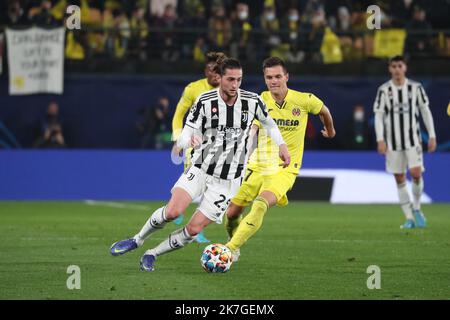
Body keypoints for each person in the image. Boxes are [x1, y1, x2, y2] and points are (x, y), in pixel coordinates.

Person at [110, 58, 291, 272]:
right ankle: (138, 239)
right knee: (173, 212)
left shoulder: (252, 102)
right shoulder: (205, 101)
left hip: (228, 181)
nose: (235, 85)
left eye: (239, 80)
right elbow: (187, 131)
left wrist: (282, 146)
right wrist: (188, 140)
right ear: (220, 78)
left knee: (194, 229)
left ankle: (152, 254)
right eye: (230, 79)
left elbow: (270, 124)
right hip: (201, 168)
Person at [224, 57, 336, 261]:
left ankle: (229, 249)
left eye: (277, 76)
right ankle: (235, 241)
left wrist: (330, 130)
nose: (273, 81)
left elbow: (324, 111)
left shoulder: (304, 100)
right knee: (231, 213)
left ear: (286, 77)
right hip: (257, 165)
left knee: (260, 204)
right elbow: (253, 130)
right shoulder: (262, 100)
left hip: (285, 168)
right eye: (269, 77)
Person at [373, 55, 437, 229]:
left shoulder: (416, 88)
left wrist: (432, 135)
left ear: (405, 68)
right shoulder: (384, 90)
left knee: (416, 174)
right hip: (392, 143)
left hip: (413, 141)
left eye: (399, 66)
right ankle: (409, 218)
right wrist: (380, 139)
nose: (396, 70)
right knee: (400, 178)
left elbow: (425, 111)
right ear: (389, 69)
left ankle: (416, 208)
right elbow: (378, 116)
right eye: (393, 66)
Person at [170, 51, 227, 243]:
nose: (215, 74)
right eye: (211, 70)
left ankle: (194, 224)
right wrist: (179, 139)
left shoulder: (228, 89)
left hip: (219, 146)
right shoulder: (193, 89)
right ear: (206, 71)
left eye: (218, 70)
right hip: (196, 143)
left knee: (212, 186)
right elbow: (179, 114)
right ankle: (179, 210)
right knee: (192, 178)